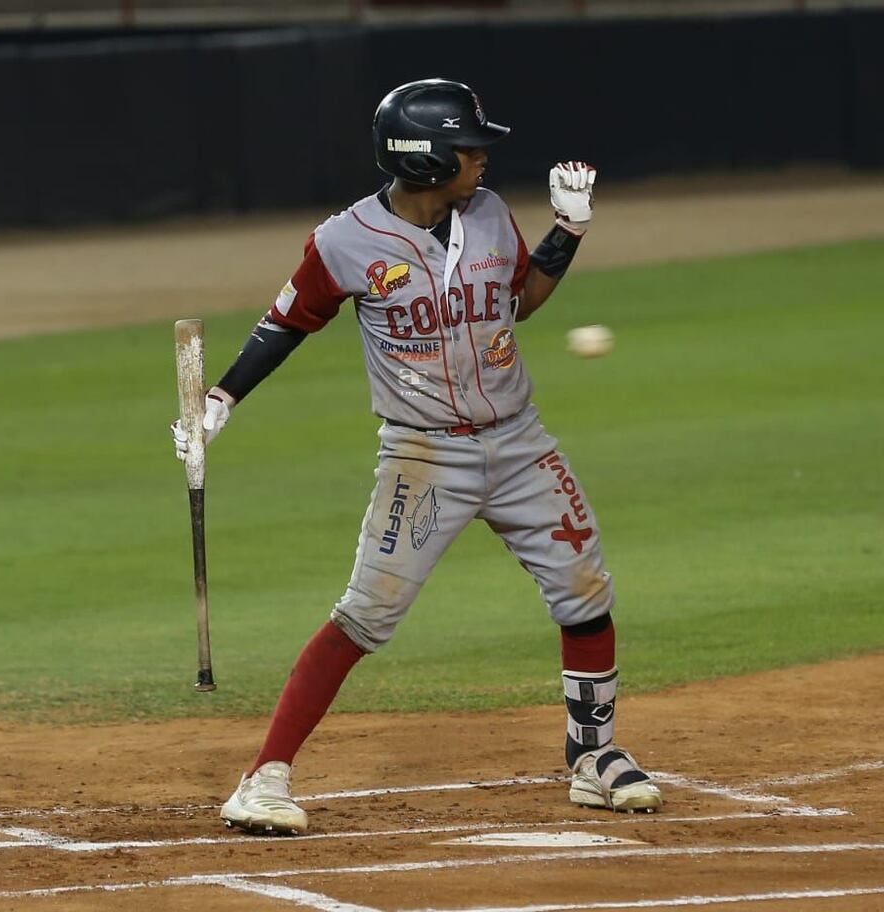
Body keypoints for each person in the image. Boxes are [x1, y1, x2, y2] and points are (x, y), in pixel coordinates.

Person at [171, 78, 661, 836]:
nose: (484, 158)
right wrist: (220, 402)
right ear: (428, 160)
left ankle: (593, 760)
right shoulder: (345, 241)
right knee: (365, 614)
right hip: (425, 455)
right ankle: (263, 778)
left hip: (519, 440)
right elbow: (285, 322)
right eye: (471, 147)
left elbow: (519, 301)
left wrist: (568, 232)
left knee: (584, 585)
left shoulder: (490, 214)